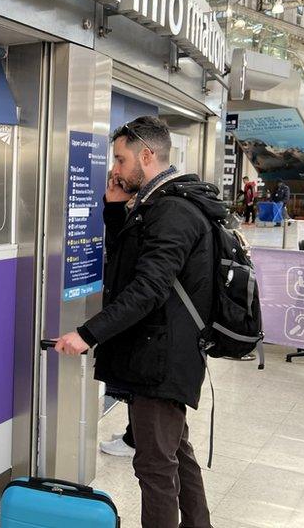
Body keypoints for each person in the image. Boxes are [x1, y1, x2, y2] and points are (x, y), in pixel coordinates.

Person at [54, 116, 219, 528]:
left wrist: (87, 334)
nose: (114, 167)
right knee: (175, 454)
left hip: (161, 360)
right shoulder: (159, 204)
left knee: (155, 469)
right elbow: (130, 266)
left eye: (120, 158)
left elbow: (147, 290)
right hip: (162, 353)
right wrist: (113, 213)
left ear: (146, 156)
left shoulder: (172, 211)